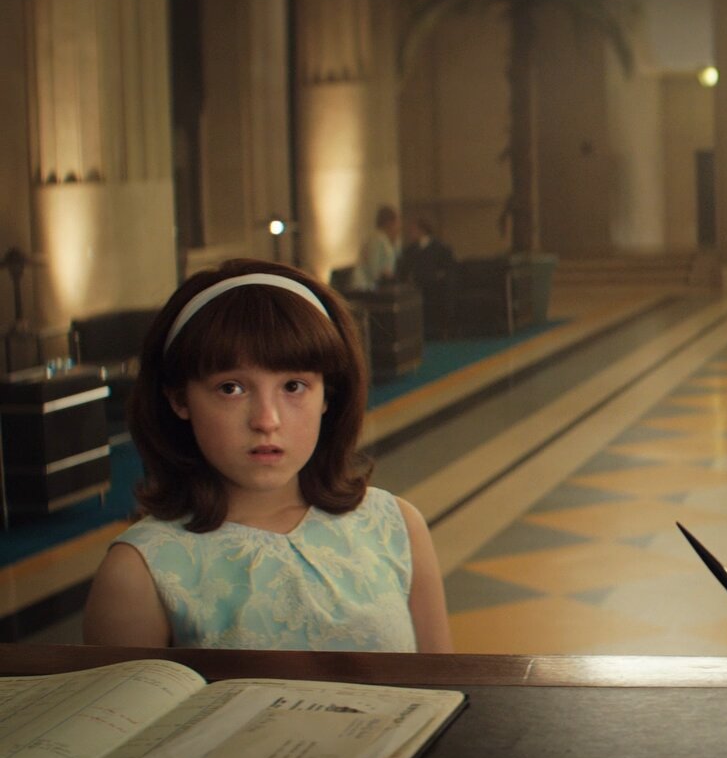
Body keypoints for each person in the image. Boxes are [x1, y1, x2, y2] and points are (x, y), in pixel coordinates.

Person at [82, 259, 453, 652]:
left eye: (293, 386)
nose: (266, 420)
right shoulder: (140, 571)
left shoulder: (395, 526)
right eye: (231, 388)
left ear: (328, 395)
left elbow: (443, 681)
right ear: (179, 399)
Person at [354, 205, 400, 290]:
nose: (398, 225)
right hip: (368, 286)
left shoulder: (385, 239)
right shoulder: (377, 239)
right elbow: (373, 266)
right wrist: (384, 274)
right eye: (396, 222)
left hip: (379, 285)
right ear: (389, 222)